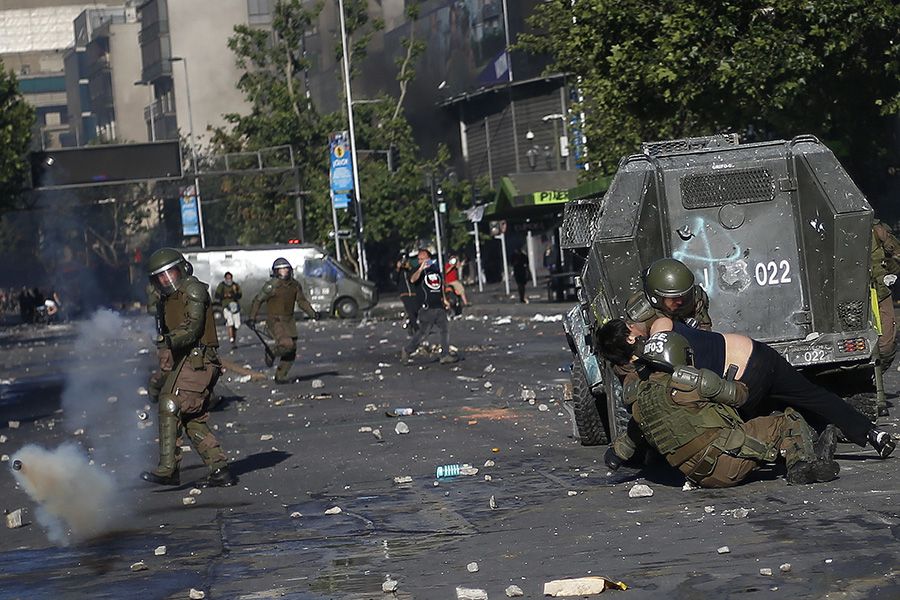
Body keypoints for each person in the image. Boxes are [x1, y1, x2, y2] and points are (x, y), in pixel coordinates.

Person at [597, 317, 896, 459]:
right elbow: (660, 326)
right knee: (812, 397)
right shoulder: (659, 332)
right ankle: (872, 433)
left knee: (778, 417)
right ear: (629, 337)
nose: (635, 322)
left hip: (739, 390)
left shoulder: (647, 374)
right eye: (630, 324)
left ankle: (809, 442)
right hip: (757, 360)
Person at [597, 328, 840, 487]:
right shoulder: (691, 381)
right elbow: (741, 396)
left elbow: (634, 434)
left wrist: (616, 455)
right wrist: (726, 382)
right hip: (727, 465)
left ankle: (798, 455)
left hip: (698, 475)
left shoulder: (641, 397)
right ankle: (801, 464)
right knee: (786, 420)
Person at [140, 248, 235, 488]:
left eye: (169, 273)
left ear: (182, 269)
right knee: (191, 417)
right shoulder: (164, 300)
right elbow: (166, 335)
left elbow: (192, 329)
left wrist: (169, 341)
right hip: (184, 361)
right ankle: (219, 469)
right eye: (160, 276)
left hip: (199, 359)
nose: (166, 280)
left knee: (171, 404)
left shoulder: (193, 289)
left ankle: (168, 468)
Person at [246, 257, 320, 383]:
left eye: (286, 268)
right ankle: (271, 352)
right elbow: (258, 300)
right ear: (276, 271)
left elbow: (301, 301)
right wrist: (252, 318)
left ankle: (280, 376)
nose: (284, 271)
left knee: (292, 350)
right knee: (287, 344)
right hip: (275, 320)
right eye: (281, 269)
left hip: (289, 320)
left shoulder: (295, 285)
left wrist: (313, 313)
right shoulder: (272, 285)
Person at [401, 249, 457, 364]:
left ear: (429, 259)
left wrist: (444, 300)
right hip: (426, 308)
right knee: (423, 333)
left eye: (423, 259)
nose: (421, 261)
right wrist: (421, 268)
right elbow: (412, 280)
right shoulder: (418, 271)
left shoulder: (435, 270)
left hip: (438, 306)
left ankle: (445, 355)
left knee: (445, 329)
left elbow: (440, 285)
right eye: (419, 259)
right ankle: (407, 350)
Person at [625, 257, 712, 330]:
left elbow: (705, 328)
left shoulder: (695, 299)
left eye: (684, 296)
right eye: (673, 299)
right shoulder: (642, 318)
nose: (680, 302)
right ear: (657, 298)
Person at [871, 220, 900, 369]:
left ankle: (875, 375)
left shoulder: (878, 229)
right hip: (873, 290)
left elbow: (894, 250)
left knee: (886, 342)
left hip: (879, 290)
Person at [395, 250, 422, 335]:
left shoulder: (410, 269)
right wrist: (398, 268)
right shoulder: (399, 272)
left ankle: (410, 325)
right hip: (404, 293)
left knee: (416, 310)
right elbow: (394, 279)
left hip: (413, 292)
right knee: (410, 310)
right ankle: (416, 328)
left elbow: (414, 277)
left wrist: (409, 268)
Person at [214, 272, 243, 347]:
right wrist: (224, 295)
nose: (229, 280)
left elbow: (240, 295)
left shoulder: (235, 285)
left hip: (235, 306)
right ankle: (231, 339)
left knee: (237, 325)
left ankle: (234, 337)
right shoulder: (222, 285)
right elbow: (217, 295)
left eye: (230, 278)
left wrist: (234, 293)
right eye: (227, 278)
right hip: (226, 306)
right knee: (230, 323)